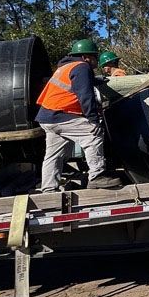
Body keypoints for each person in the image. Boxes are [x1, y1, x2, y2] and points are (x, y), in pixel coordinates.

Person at [36, 39, 121, 192]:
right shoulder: (82, 67)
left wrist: (95, 80)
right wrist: (93, 120)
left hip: (47, 116)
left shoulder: (66, 67)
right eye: (95, 57)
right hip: (60, 114)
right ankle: (97, 176)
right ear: (86, 57)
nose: (96, 61)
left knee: (54, 154)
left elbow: (74, 85)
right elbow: (85, 96)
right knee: (93, 133)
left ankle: (48, 189)